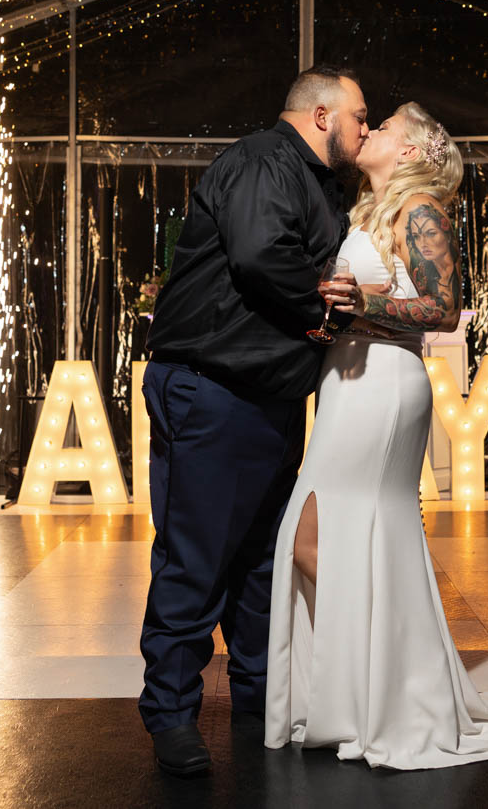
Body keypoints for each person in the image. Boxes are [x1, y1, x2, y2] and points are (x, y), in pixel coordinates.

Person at [263, 102, 488, 769]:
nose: (372, 128)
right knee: (323, 537)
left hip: (383, 389)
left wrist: (365, 304)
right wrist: (326, 318)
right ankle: (373, 681)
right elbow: (355, 309)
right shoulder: (367, 212)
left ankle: (392, 681)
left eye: (385, 126)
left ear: (410, 152)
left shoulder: (422, 211)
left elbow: (441, 307)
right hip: (350, 378)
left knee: (313, 534)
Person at [138, 65, 379, 776]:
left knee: (259, 565)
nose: (365, 128)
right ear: (321, 113)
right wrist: (324, 307)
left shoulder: (316, 183)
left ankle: (256, 696)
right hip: (215, 390)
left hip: (265, 398)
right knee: (197, 555)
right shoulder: (263, 161)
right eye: (360, 115)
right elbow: (257, 254)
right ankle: (171, 712)